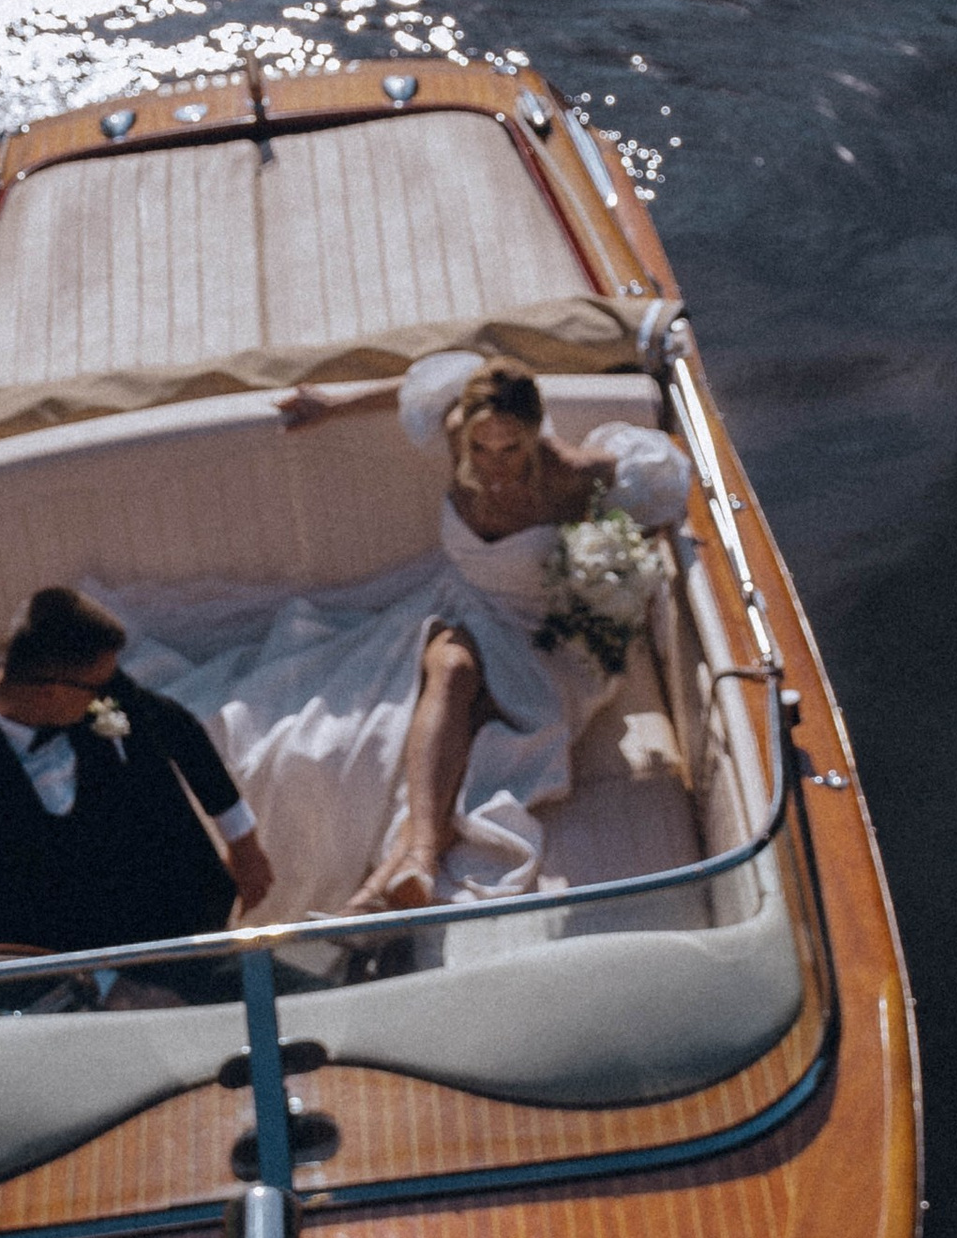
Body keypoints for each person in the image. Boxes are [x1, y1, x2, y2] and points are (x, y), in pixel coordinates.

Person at [267, 354, 692, 911]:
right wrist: (331, 402)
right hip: (464, 605)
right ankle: (419, 855)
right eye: (481, 447)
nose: (493, 464)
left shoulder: (572, 473)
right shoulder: (453, 434)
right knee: (451, 670)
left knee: (469, 737)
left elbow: (665, 480)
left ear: (535, 431)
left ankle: (379, 888)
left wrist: (615, 572)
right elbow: (421, 382)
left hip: (540, 638)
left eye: (511, 448)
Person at [0, 581, 273, 997]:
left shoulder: (88, 687)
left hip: (182, 927)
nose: (111, 693)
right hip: (71, 982)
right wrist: (107, 988)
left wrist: (244, 844)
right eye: (99, 687)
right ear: (50, 691)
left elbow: (176, 727)